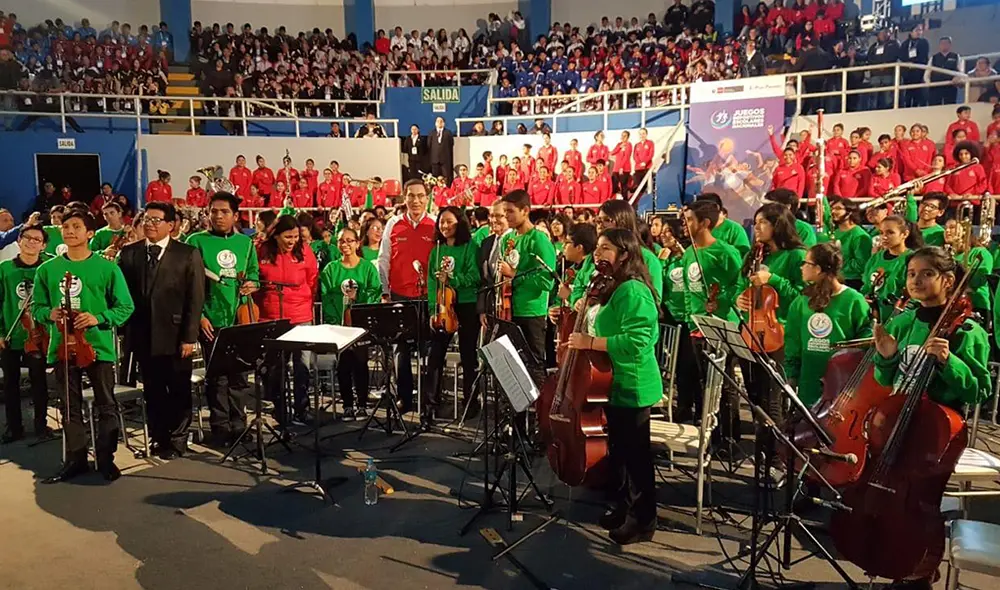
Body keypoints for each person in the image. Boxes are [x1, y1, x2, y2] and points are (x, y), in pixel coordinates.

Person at [872, 247, 990, 590]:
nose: (916, 280)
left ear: (948, 280)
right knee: (892, 495)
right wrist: (886, 358)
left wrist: (949, 362)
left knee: (921, 502)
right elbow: (886, 380)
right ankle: (894, 560)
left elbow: (979, 390)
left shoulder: (966, 330)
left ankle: (920, 570)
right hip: (897, 424)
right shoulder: (903, 322)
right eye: (911, 274)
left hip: (935, 433)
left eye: (926, 274)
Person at [567, 228, 661, 545]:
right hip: (611, 381)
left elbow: (638, 340)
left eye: (606, 248)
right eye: (597, 247)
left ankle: (643, 520)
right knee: (620, 453)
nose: (598, 253)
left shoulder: (633, 290)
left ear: (624, 254)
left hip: (632, 383)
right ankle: (623, 508)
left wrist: (591, 342)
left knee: (636, 458)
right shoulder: (611, 285)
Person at [32, 210, 135, 483]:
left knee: (106, 405)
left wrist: (98, 318)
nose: (69, 231)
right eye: (66, 226)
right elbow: (36, 307)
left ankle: (106, 459)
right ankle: (76, 459)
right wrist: (49, 313)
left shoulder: (107, 268)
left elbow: (126, 306)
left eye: (76, 226)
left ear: (90, 233)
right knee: (69, 407)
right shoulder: (47, 269)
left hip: (97, 346)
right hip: (63, 347)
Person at [117, 202, 205, 459]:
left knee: (178, 389)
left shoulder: (187, 254)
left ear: (171, 225)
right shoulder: (130, 253)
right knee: (152, 390)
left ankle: (178, 440)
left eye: (156, 220)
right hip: (143, 335)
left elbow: (195, 298)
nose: (150, 224)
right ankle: (158, 437)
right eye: (147, 219)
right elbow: (122, 295)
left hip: (176, 335)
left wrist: (189, 337)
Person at [185, 192, 259, 446]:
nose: (218, 216)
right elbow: (189, 285)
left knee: (240, 377)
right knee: (217, 378)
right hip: (211, 321)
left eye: (224, 212)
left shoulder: (245, 243)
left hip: (239, 318)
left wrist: (252, 284)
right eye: (213, 211)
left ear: (235, 216)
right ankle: (220, 428)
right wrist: (200, 317)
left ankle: (239, 426)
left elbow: (254, 274)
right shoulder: (195, 241)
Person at [736, 203, 807, 423]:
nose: (756, 227)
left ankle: (775, 444)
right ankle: (760, 443)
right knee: (754, 397)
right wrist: (738, 298)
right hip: (750, 331)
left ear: (778, 225)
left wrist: (774, 280)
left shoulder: (796, 256)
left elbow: (802, 297)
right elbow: (739, 286)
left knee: (772, 399)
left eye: (763, 222)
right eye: (755, 222)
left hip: (779, 334)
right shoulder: (755, 255)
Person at [677, 200, 742, 425]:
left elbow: (739, 285)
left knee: (723, 385)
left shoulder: (725, 251)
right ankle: (708, 430)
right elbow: (689, 290)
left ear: (704, 223)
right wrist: (690, 318)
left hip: (720, 325)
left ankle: (729, 433)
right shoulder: (689, 253)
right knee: (704, 383)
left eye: (690, 220)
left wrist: (721, 300)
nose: (684, 224)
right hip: (696, 326)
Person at [785, 243, 872, 406]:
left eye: (806, 263)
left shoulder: (854, 299)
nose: (802, 267)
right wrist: (791, 375)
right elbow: (793, 342)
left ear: (818, 269)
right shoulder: (802, 301)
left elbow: (865, 341)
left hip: (843, 384)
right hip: (809, 382)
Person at [378, 179, 435, 412]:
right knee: (400, 349)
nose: (416, 201)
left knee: (428, 350)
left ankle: (428, 399)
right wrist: (385, 291)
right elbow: (383, 259)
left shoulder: (435, 224)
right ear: (404, 198)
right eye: (411, 196)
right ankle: (404, 397)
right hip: (399, 295)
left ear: (427, 198)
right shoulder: (393, 224)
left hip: (427, 297)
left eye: (420, 196)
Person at [256, 214, 318, 425]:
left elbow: (312, 279)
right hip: (271, 315)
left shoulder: (305, 251)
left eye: (295, 237)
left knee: (302, 365)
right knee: (275, 367)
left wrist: (305, 301)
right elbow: (256, 280)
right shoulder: (261, 250)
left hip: (300, 315)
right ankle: (280, 407)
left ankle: (302, 408)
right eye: (288, 237)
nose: (292, 241)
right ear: (276, 235)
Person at [424, 207, 481, 425]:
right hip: (442, 306)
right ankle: (430, 404)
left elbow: (474, 276)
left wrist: (453, 280)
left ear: (460, 223)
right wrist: (433, 309)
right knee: (435, 355)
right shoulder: (436, 250)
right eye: (441, 222)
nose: (445, 226)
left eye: (449, 222)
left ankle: (470, 402)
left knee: (468, 355)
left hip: (466, 304)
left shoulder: (470, 247)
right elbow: (432, 282)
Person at [319, 227, 380, 420]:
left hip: (360, 325)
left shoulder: (367, 267)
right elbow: (326, 296)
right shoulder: (331, 269)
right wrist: (334, 321)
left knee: (361, 363)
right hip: (339, 326)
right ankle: (347, 405)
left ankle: (362, 404)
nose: (345, 245)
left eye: (349, 241)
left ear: (357, 243)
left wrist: (359, 296)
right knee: (343, 365)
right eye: (341, 241)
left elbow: (375, 292)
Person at [0, 225, 52, 443]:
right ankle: (14, 427)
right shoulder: (5, 269)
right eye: (27, 238)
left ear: (43, 245)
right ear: (18, 241)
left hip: (39, 335)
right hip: (11, 334)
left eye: (37, 239)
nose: (31, 242)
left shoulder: (48, 268)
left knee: (39, 382)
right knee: (10, 384)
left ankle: (41, 424)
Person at [500, 190, 557, 385]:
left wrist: (514, 274)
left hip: (532, 311)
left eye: (510, 211)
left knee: (533, 364)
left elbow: (547, 281)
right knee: (512, 365)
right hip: (508, 310)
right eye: (504, 212)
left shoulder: (539, 239)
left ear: (525, 210)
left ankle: (538, 403)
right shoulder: (508, 239)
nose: (506, 216)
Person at [862, 215, 922, 322]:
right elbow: (866, 285)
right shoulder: (876, 257)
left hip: (899, 320)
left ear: (905, 234)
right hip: (873, 318)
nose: (884, 237)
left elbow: (915, 295)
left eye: (890, 233)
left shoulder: (913, 260)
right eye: (881, 233)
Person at [943, 216, 993, 319]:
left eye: (952, 227)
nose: (947, 231)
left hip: (976, 306)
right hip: (950, 306)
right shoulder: (945, 254)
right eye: (945, 228)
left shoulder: (980, 252)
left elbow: (980, 280)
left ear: (965, 231)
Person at [829, 198, 873, 290]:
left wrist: (838, 265)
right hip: (835, 278)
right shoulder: (836, 232)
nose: (833, 211)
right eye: (832, 208)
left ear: (849, 212)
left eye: (838, 208)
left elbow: (861, 265)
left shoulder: (859, 236)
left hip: (852, 282)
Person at [698, 193, 751, 257]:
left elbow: (743, 255)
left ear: (716, 208)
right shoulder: (700, 227)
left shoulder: (735, 229)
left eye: (703, 209)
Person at [429, 117, 455, 185]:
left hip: (445, 160)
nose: (439, 123)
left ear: (444, 123)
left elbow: (451, 144)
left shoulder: (448, 132)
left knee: (446, 177)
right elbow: (429, 145)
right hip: (435, 159)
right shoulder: (432, 133)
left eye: (441, 121)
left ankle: (447, 189)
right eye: (438, 121)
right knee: (435, 178)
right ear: (435, 123)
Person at [610, 130, 633, 196]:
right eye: (622, 135)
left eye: (624, 136)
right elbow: (612, 152)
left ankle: (625, 200)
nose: (623, 137)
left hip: (624, 169)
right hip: (616, 169)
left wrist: (621, 167)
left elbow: (626, 157)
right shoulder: (619, 144)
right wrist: (619, 147)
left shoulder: (629, 145)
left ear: (628, 137)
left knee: (623, 186)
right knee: (614, 185)